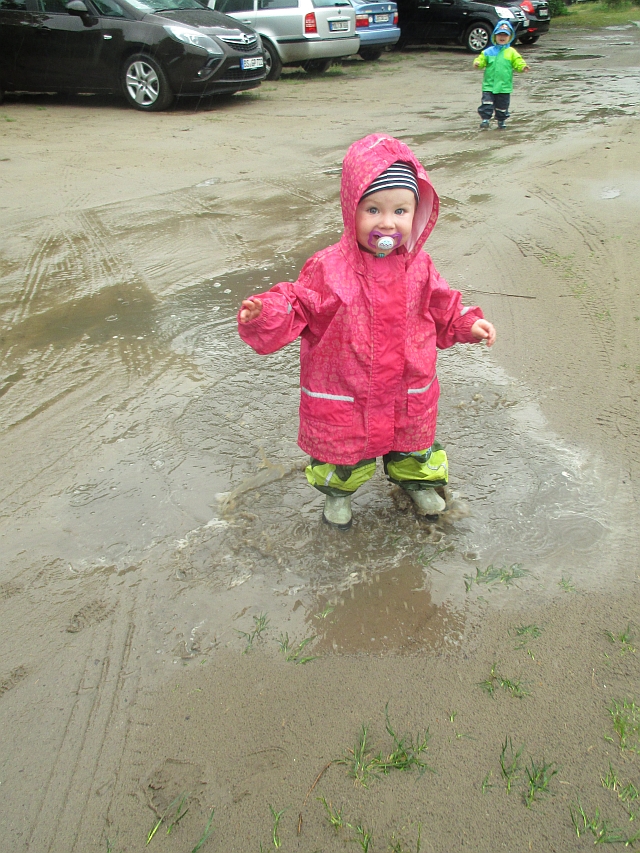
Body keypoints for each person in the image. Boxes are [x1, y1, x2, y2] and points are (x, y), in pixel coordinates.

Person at [237, 134, 496, 531]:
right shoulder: (328, 267)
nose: (387, 222)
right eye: (373, 209)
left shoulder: (420, 266)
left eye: (401, 210)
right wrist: (266, 312)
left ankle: (417, 482)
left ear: (418, 213)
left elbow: (443, 303)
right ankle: (338, 494)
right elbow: (299, 303)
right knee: (343, 453)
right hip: (348, 388)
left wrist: (466, 323)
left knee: (414, 444)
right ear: (350, 210)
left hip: (407, 387)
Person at [474, 20, 530, 130]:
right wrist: (478, 63)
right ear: (495, 36)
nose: (502, 37)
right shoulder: (488, 51)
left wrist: (522, 66)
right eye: (499, 34)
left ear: (510, 37)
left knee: (502, 107)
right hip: (489, 85)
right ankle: (485, 120)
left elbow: (518, 61)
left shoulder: (511, 52)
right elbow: (481, 60)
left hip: (504, 87)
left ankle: (501, 121)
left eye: (505, 35)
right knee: (487, 104)